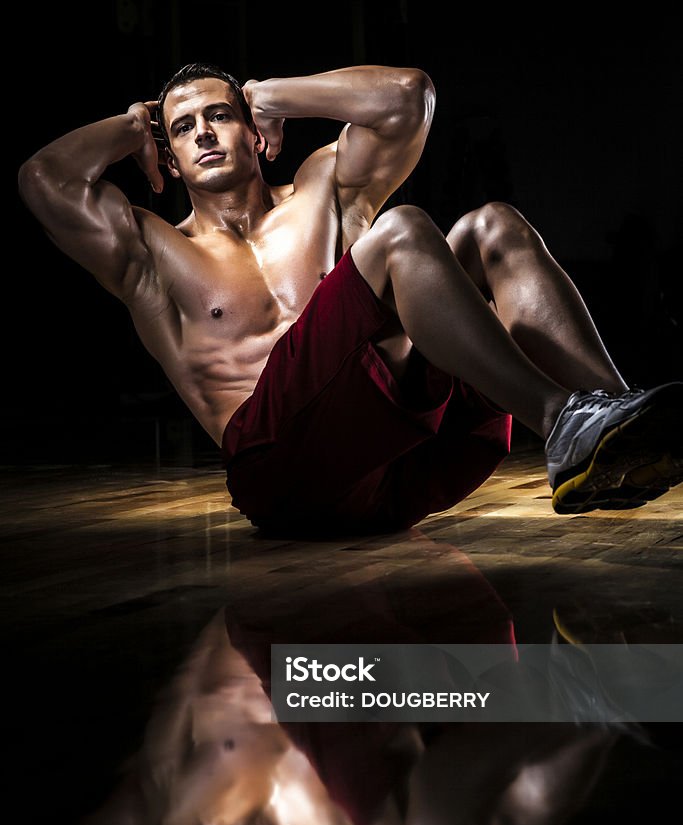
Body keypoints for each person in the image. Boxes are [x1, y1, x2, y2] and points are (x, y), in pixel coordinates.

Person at [18, 63, 681, 536]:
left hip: (408, 467)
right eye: (183, 126)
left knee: (493, 227)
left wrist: (268, 93)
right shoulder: (148, 251)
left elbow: (406, 94)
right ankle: (560, 421)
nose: (205, 133)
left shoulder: (323, 191)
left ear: (255, 131)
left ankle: (615, 427)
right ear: (167, 153)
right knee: (400, 233)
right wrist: (134, 127)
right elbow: (42, 178)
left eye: (219, 115)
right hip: (286, 477)